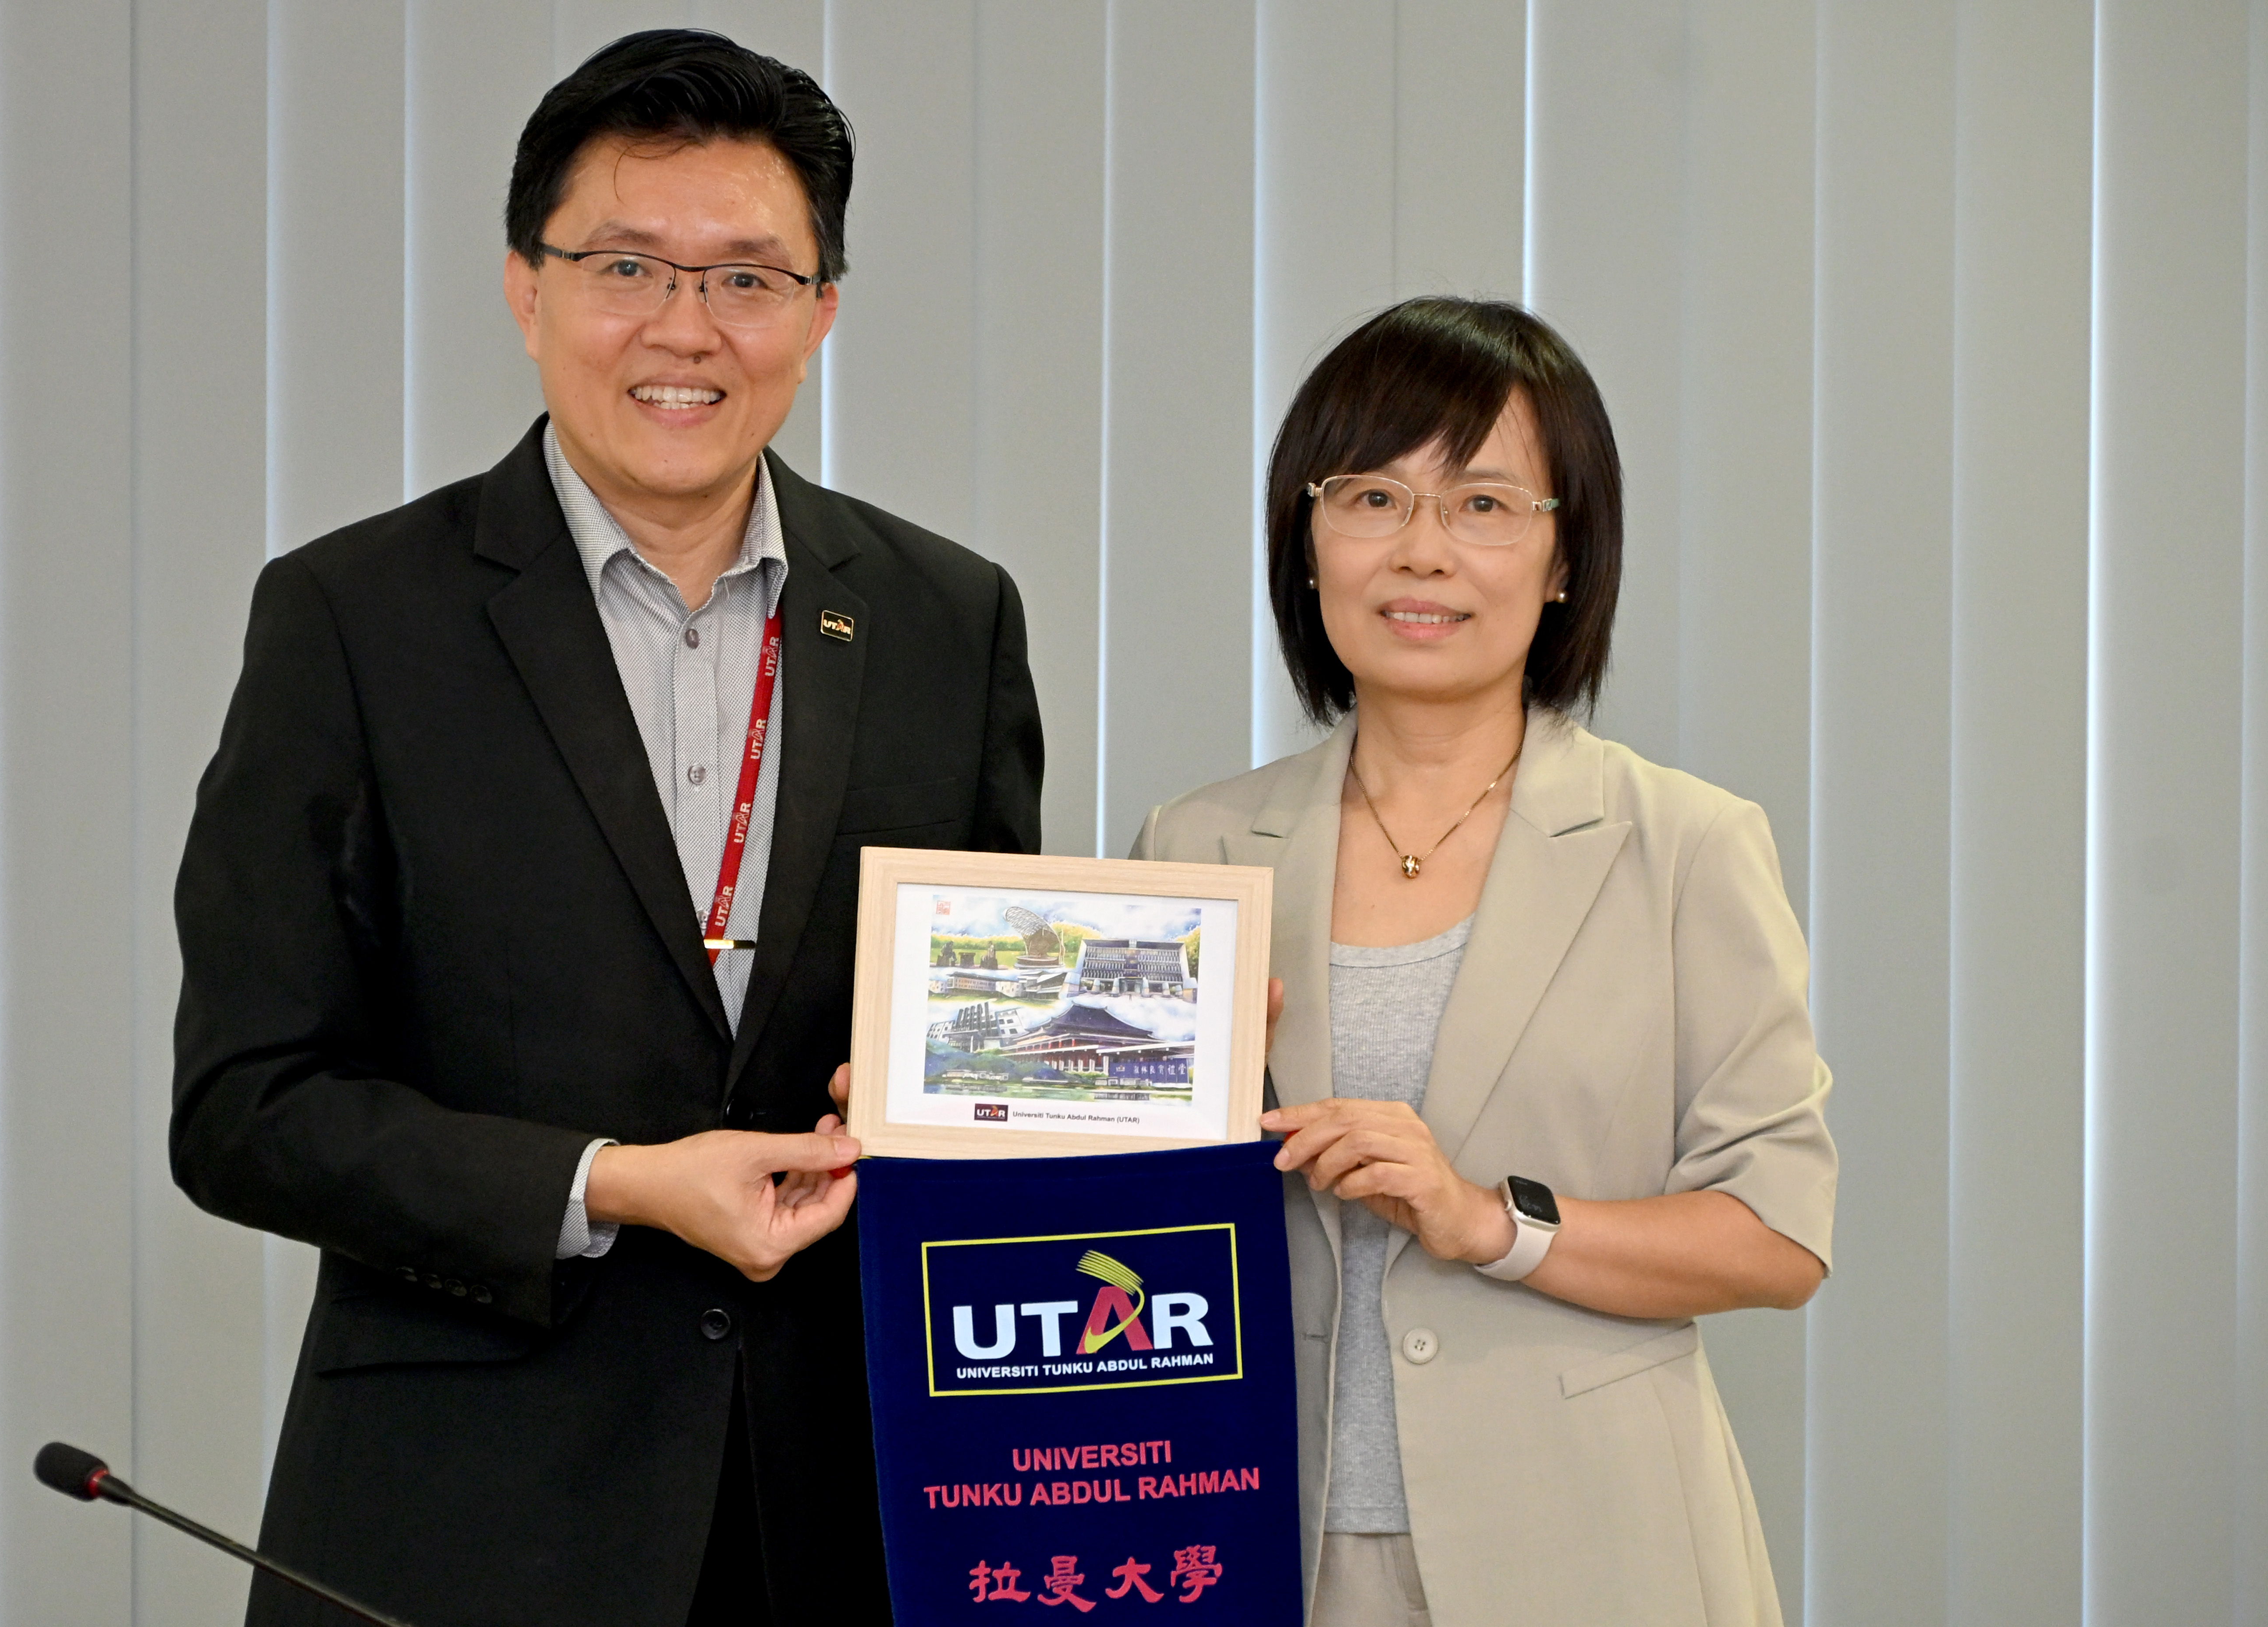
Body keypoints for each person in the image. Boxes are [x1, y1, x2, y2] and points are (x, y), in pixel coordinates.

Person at [169, 30, 1041, 1627]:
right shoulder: (355, 620)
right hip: (472, 1514)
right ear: (527, 288)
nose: (685, 329)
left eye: (750, 279)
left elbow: (981, 1042)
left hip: (843, 1509)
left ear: (823, 311)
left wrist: (1143, 1074)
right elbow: (245, 1104)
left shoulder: (945, 619)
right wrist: (612, 1183)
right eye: (628, 264)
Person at [1130, 297, 1834, 1627]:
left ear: (1566, 558)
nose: (1423, 552)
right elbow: (1124, 1206)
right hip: (1262, 1543)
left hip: (1589, 1546)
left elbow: (1778, 1232)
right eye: (1374, 497)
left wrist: (1490, 1223)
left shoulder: (1683, 844)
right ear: (1309, 537)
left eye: (1486, 505)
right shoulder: (1199, 841)